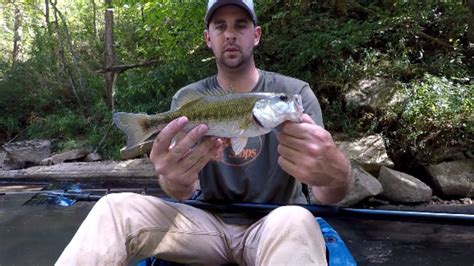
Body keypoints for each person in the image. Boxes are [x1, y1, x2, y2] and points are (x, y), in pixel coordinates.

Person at [56, 0, 352, 265]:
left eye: (241, 25)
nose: (230, 34)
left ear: (256, 34)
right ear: (208, 38)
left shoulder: (294, 93)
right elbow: (182, 191)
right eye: (220, 26)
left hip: (275, 225)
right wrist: (173, 181)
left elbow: (325, 196)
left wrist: (336, 173)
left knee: (298, 218)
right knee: (113, 208)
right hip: (203, 227)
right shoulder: (188, 97)